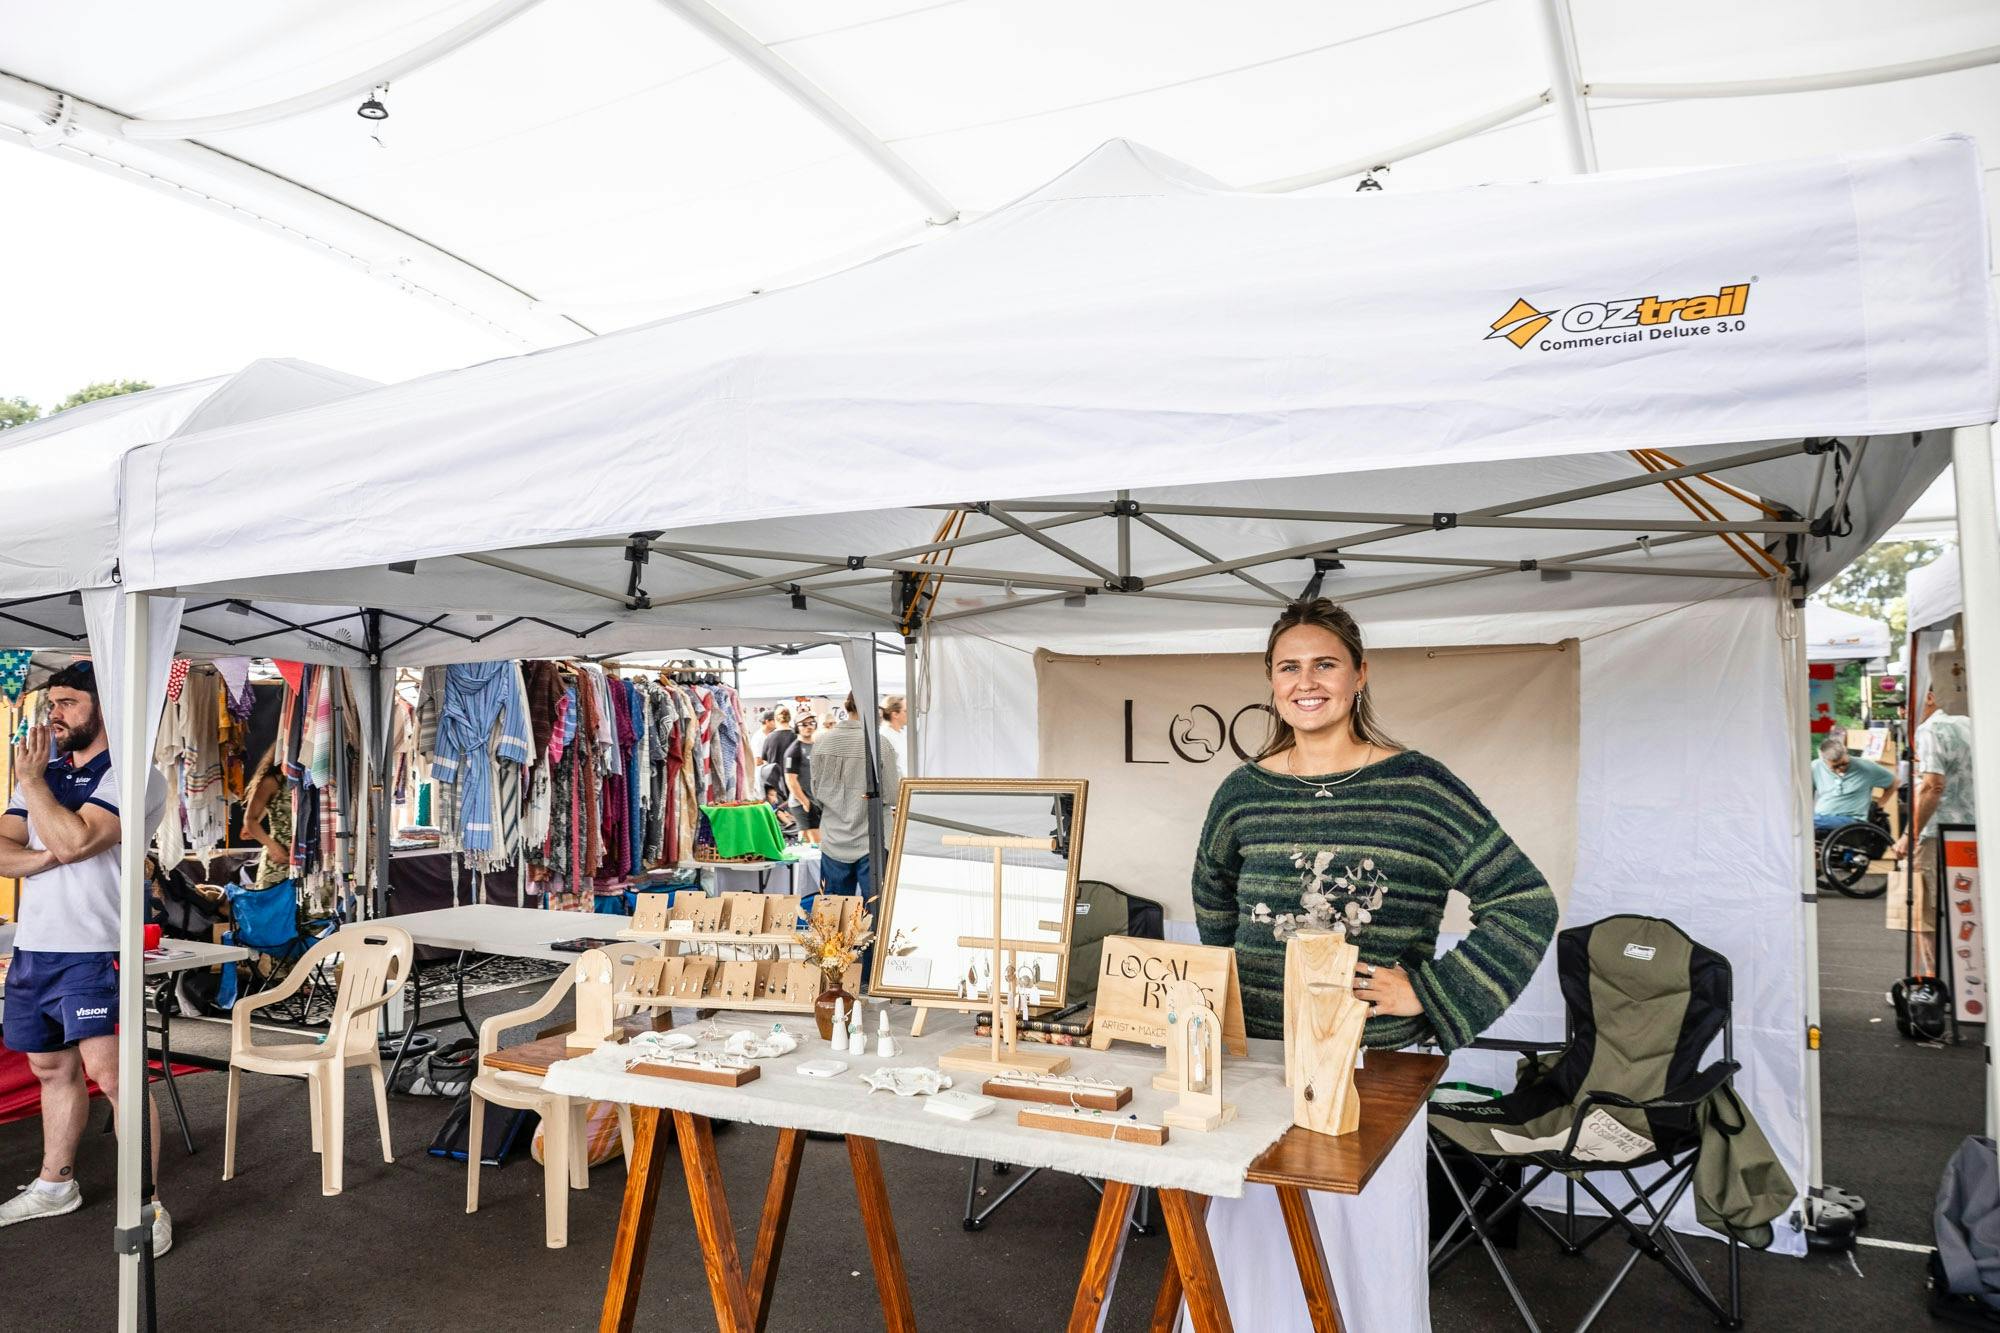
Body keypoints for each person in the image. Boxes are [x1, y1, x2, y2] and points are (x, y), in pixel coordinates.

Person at [1189, 599, 1557, 1332]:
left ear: (1360, 674)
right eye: (1289, 666)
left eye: (1325, 663)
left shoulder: (1420, 787)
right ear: (1270, 682)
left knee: (1358, 1255)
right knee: (1250, 1246)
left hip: (1374, 1069)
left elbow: (1525, 900)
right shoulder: (1244, 790)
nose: (1307, 680)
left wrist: (1428, 989)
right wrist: (1250, 991)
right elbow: (1212, 896)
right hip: (1262, 1065)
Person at [0, 662, 172, 1255]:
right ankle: (56, 1184)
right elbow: (5, 849)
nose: (55, 714)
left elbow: (76, 839)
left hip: (97, 949)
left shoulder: (133, 776)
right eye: (54, 703)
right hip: (34, 947)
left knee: (115, 1076)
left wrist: (39, 798)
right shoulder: (41, 772)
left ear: (104, 707)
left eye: (69, 703)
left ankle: (145, 1204)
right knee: (51, 1070)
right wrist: (49, 855)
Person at [1891, 651, 1976, 976]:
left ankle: (1933, 985)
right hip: (1970, 829)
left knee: (1925, 914)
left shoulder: (1930, 732)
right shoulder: (1968, 725)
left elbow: (1932, 786)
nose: (1902, 710)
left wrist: (1908, 834)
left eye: (1907, 703)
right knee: (1967, 907)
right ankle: (1970, 982)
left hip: (1935, 833)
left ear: (1929, 697)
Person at [809, 692, 900, 900]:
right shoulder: (879, 744)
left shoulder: (822, 742)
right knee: (876, 914)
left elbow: (815, 792)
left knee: (834, 915)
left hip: (834, 836)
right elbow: (892, 795)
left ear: (846, 707)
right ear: (872, 709)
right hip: (872, 838)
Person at [1812, 737, 1896, 833]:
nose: (1840, 769)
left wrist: (1879, 805)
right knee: (1803, 822)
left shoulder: (1866, 767)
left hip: (1850, 821)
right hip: (1821, 818)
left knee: (1809, 822)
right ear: (1824, 761)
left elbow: (1894, 782)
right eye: (1835, 767)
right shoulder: (1815, 767)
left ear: (1846, 753)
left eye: (1844, 763)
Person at [239, 744, 293, 889]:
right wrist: (272, 846)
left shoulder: (313, 780)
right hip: (279, 860)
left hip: (311, 861)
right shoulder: (273, 782)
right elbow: (249, 819)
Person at [782, 712, 821, 845]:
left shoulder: (815, 745)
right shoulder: (794, 750)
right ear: (797, 727)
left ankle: (800, 864)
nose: (808, 727)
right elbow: (790, 780)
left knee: (805, 840)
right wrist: (805, 802)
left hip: (815, 800)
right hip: (802, 802)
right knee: (816, 842)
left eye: (811, 723)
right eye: (804, 724)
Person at [758, 707, 796, 806]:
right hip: (795, 783)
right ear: (790, 718)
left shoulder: (769, 738)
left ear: (776, 719)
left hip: (776, 785)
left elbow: (765, 763)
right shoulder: (796, 736)